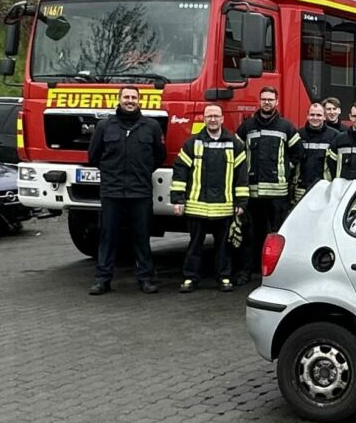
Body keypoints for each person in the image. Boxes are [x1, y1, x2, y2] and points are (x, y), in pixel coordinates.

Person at [87, 85, 166, 295]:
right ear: (119, 99)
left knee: (142, 237)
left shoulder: (151, 127)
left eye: (133, 97)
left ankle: (146, 279)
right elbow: (94, 156)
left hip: (140, 192)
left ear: (139, 101)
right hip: (112, 192)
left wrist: (142, 171)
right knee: (108, 236)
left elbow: (159, 156)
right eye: (126, 97)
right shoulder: (104, 126)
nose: (130, 101)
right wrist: (111, 174)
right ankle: (103, 280)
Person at [170, 104, 247, 293]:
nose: (212, 119)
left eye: (216, 116)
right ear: (204, 119)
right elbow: (180, 171)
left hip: (224, 206)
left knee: (223, 246)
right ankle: (190, 278)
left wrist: (241, 202)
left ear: (222, 119)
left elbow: (241, 175)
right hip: (197, 207)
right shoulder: (192, 143)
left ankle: (224, 277)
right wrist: (178, 200)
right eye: (209, 116)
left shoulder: (235, 144)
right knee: (194, 245)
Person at [234, 87, 302, 286]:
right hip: (252, 192)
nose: (267, 102)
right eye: (263, 99)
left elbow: (298, 153)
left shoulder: (286, 127)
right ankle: (246, 271)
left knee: (276, 234)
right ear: (259, 101)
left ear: (277, 102)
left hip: (277, 193)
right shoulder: (246, 127)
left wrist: (284, 170)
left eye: (270, 99)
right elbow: (238, 155)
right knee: (249, 233)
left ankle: (274, 273)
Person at [296, 103, 339, 201]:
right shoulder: (298, 135)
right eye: (312, 115)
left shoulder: (335, 136)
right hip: (302, 189)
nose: (315, 118)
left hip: (324, 189)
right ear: (307, 116)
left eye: (319, 115)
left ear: (324, 117)